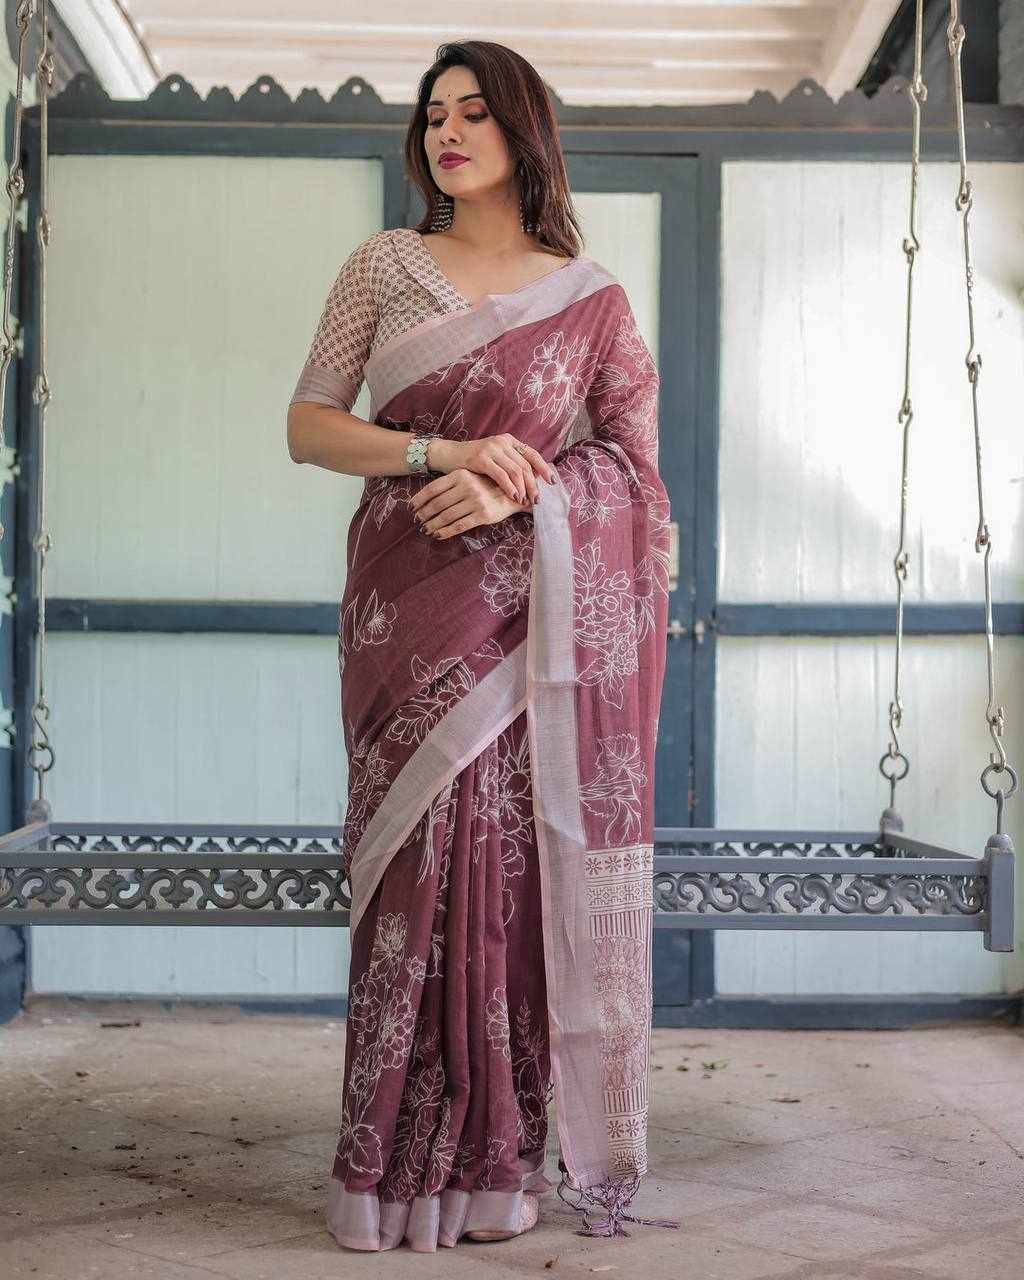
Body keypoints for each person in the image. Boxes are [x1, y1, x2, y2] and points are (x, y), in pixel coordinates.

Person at [287, 38, 678, 1254]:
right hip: (405, 611)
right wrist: (442, 453)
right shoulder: (384, 264)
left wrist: (522, 487)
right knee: (412, 871)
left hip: (529, 635)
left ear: (523, 129)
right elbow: (309, 426)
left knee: (509, 879)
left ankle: (496, 1166)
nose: (446, 133)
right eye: (432, 115)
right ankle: (385, 1172)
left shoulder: (591, 299)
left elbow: (638, 482)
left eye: (472, 113)